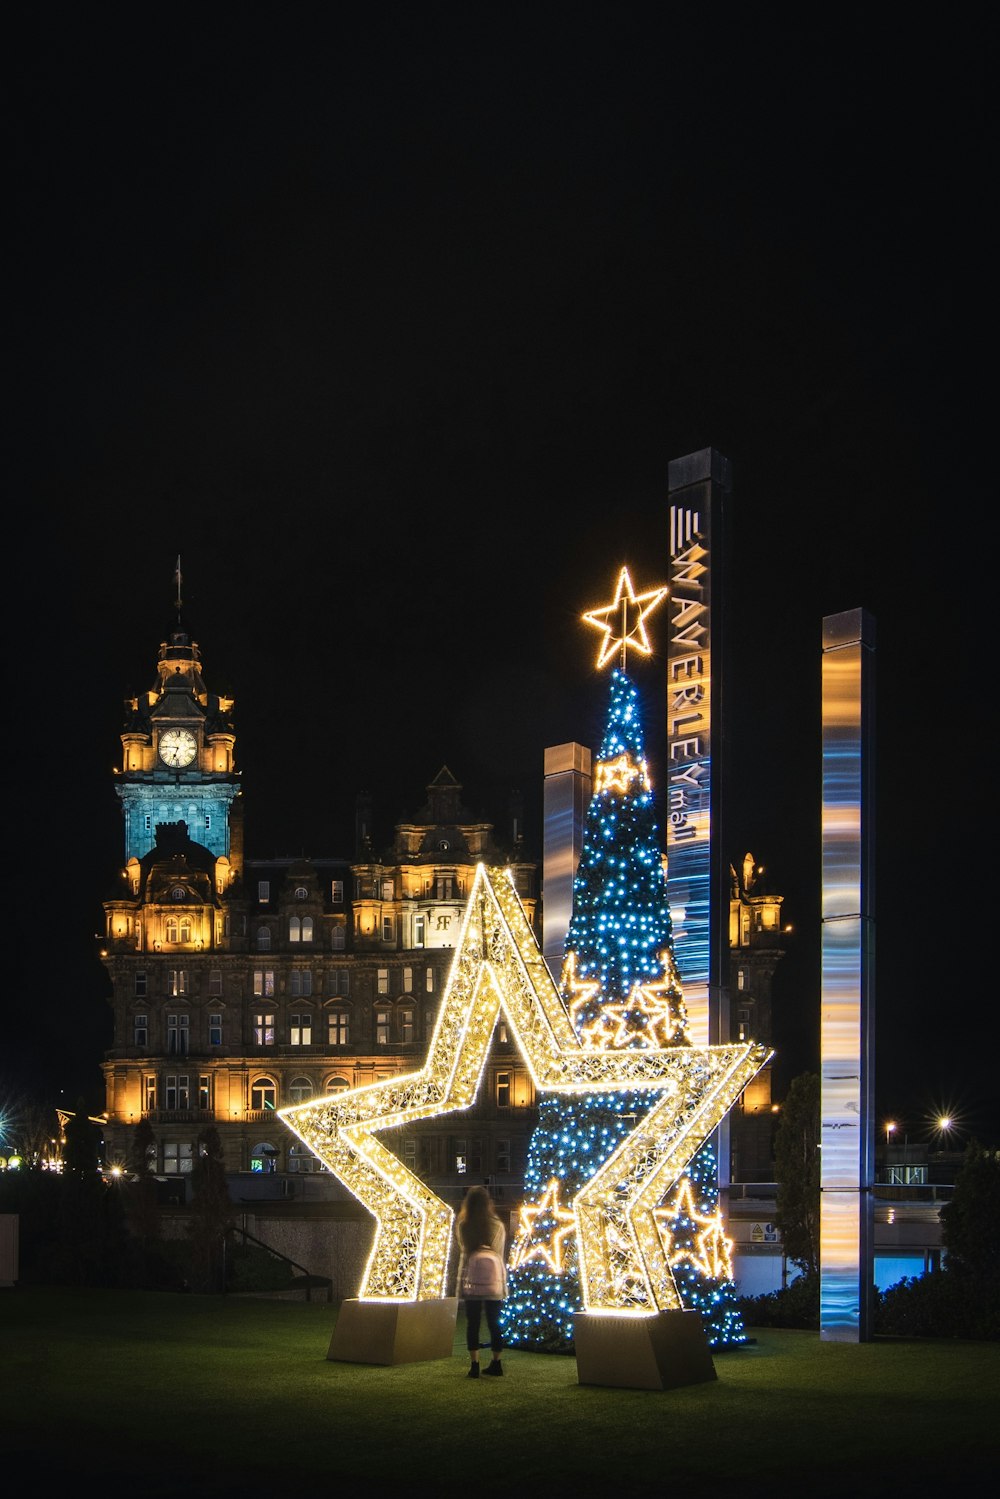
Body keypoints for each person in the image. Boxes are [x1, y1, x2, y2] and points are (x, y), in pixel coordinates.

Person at [454, 1183, 507, 1378]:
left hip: (472, 1283)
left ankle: (474, 1365)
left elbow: (465, 1255)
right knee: (495, 1324)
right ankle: (496, 1363)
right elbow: (499, 1256)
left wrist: (460, 1284)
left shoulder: (464, 1225)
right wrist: (503, 1286)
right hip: (494, 1282)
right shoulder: (498, 1226)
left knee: (472, 1324)